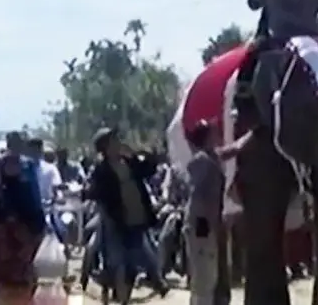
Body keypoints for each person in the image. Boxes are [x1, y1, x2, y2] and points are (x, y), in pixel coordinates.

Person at [86, 127, 169, 298]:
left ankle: (150, 282)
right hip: (116, 222)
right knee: (116, 261)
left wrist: (141, 152)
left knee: (137, 258)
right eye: (113, 141)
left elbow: (150, 169)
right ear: (105, 147)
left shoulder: (130, 162)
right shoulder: (101, 170)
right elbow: (94, 192)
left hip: (137, 218)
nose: (119, 143)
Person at [0, 153, 46, 304]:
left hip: (22, 247)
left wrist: (29, 238)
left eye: (15, 164)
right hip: (0, 247)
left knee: (21, 286)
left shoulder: (27, 189)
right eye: (9, 164)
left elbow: (38, 218)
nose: (12, 168)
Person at [183, 119, 225, 304]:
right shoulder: (202, 161)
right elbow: (198, 196)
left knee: (208, 276)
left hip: (206, 223)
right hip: (201, 224)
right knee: (204, 277)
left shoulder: (211, 158)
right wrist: (208, 226)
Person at [27, 138, 63, 203]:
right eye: (32, 150)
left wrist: (58, 198)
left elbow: (57, 187)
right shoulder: (22, 169)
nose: (35, 153)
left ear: (41, 151)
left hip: (47, 207)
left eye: (38, 149)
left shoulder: (51, 168)